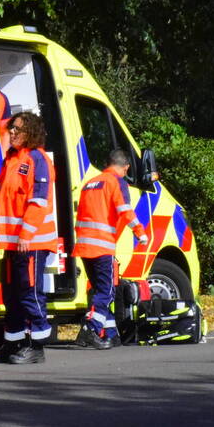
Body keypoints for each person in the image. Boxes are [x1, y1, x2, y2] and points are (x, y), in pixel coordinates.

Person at [0, 111, 57, 364]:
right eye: (11, 128)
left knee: (29, 292)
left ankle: (36, 346)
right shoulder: (11, 159)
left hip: (32, 242)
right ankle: (13, 343)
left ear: (31, 133)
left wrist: (26, 233)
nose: (11, 132)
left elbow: (39, 200)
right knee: (11, 294)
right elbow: (1, 199)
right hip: (13, 242)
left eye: (17, 129)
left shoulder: (38, 159)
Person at [74, 148, 148, 350]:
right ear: (125, 167)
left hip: (84, 244)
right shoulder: (117, 182)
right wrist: (140, 233)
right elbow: (125, 211)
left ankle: (112, 333)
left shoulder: (90, 183)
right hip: (102, 245)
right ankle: (91, 329)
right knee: (106, 292)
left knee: (100, 289)